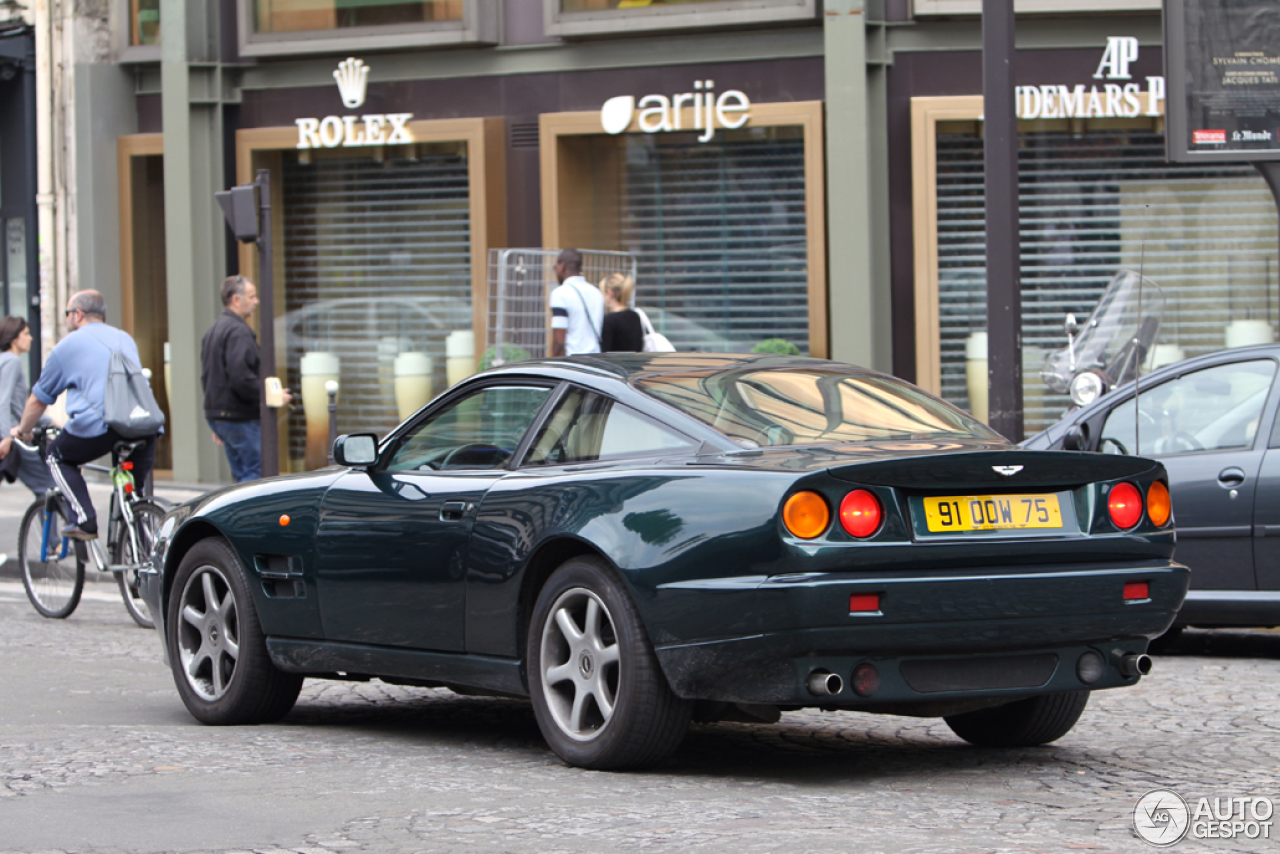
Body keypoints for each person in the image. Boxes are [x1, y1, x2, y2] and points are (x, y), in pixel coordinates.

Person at [10, 290, 157, 540]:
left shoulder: (68, 345)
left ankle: (85, 519)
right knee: (133, 494)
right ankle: (139, 555)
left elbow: (37, 400)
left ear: (77, 314)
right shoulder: (124, 338)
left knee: (56, 456)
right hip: (146, 425)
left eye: (67, 313)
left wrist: (22, 430)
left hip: (104, 426)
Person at [201, 275, 290, 482]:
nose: (256, 301)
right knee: (255, 476)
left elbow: (207, 376)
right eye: (252, 296)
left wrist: (220, 421)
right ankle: (250, 515)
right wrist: (271, 395)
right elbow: (241, 378)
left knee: (241, 475)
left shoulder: (213, 330)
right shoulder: (238, 332)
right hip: (239, 417)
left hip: (223, 416)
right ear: (236, 300)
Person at [0, 317, 55, 496]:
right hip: (15, 436)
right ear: (14, 338)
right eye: (26, 334)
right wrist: (7, 436)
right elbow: (3, 401)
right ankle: (70, 524)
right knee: (47, 486)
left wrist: (52, 421)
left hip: (12, 433)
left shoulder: (4, 360)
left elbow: (20, 407)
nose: (31, 338)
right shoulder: (12, 361)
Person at [549, 248, 604, 357]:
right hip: (596, 360)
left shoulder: (560, 294)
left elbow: (559, 341)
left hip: (573, 362)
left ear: (562, 266)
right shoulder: (597, 293)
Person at [599, 273, 644, 353]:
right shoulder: (635, 316)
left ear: (609, 293)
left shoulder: (609, 320)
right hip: (633, 363)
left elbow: (605, 352)